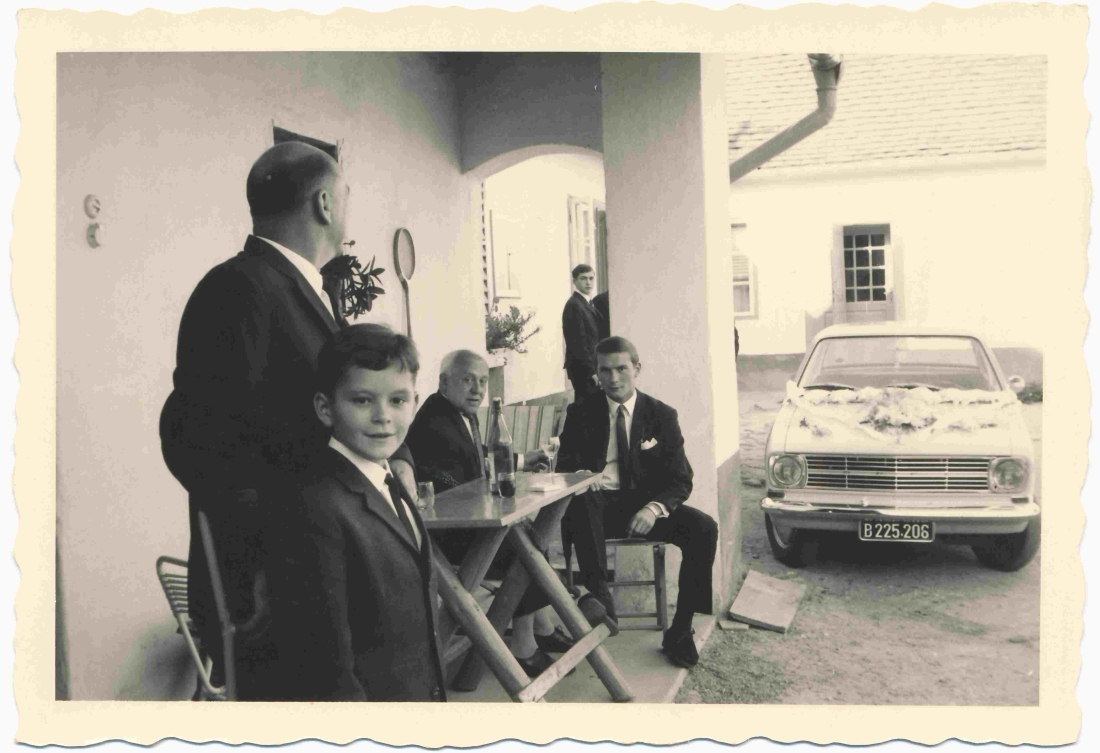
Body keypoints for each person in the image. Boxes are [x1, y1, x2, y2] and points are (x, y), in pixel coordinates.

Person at [158, 141, 417, 679]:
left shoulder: (303, 288)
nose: (347, 206)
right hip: (276, 581)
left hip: (324, 559)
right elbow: (197, 439)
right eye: (345, 195)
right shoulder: (237, 287)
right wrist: (259, 563)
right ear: (324, 203)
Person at [240, 324, 445, 701]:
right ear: (325, 408)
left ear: (416, 401)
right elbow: (324, 664)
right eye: (362, 400)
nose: (383, 416)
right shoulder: (314, 508)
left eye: (397, 400)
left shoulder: (386, 478)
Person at [405, 350, 576, 676]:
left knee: (529, 540)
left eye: (482, 381)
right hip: (448, 533)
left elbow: (480, 456)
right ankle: (524, 647)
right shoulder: (435, 422)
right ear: (444, 381)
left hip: (468, 522)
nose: (477, 388)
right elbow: (455, 479)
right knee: (524, 553)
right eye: (468, 379)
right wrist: (482, 484)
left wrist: (525, 460)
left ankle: (543, 628)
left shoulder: (455, 413)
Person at [557, 336, 718, 669]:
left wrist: (653, 509)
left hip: (644, 510)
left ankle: (681, 629)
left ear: (637, 368)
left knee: (703, 528)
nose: (613, 379)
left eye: (621, 369)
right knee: (584, 498)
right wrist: (580, 475)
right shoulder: (581, 412)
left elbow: (680, 479)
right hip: (595, 508)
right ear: (596, 374)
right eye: (605, 371)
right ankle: (601, 600)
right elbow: (564, 470)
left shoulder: (661, 415)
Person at [561, 264, 603, 400]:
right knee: (586, 409)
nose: (588, 282)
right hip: (583, 370)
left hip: (590, 367)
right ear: (574, 282)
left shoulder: (587, 303)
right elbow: (578, 344)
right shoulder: (574, 305)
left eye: (591, 278)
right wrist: (591, 372)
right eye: (583, 279)